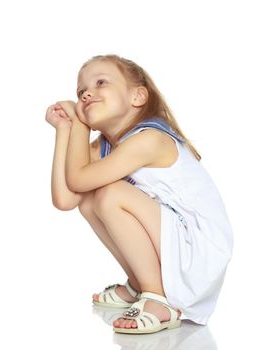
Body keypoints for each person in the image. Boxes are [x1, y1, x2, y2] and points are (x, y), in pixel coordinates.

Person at [45, 54, 234, 334]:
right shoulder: (106, 147)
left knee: (110, 194)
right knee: (89, 200)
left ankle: (157, 299)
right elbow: (67, 198)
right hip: (172, 244)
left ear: (137, 96)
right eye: (80, 91)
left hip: (199, 249)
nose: (86, 94)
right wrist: (65, 129)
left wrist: (80, 125)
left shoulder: (149, 140)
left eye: (100, 83)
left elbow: (76, 177)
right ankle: (140, 283)